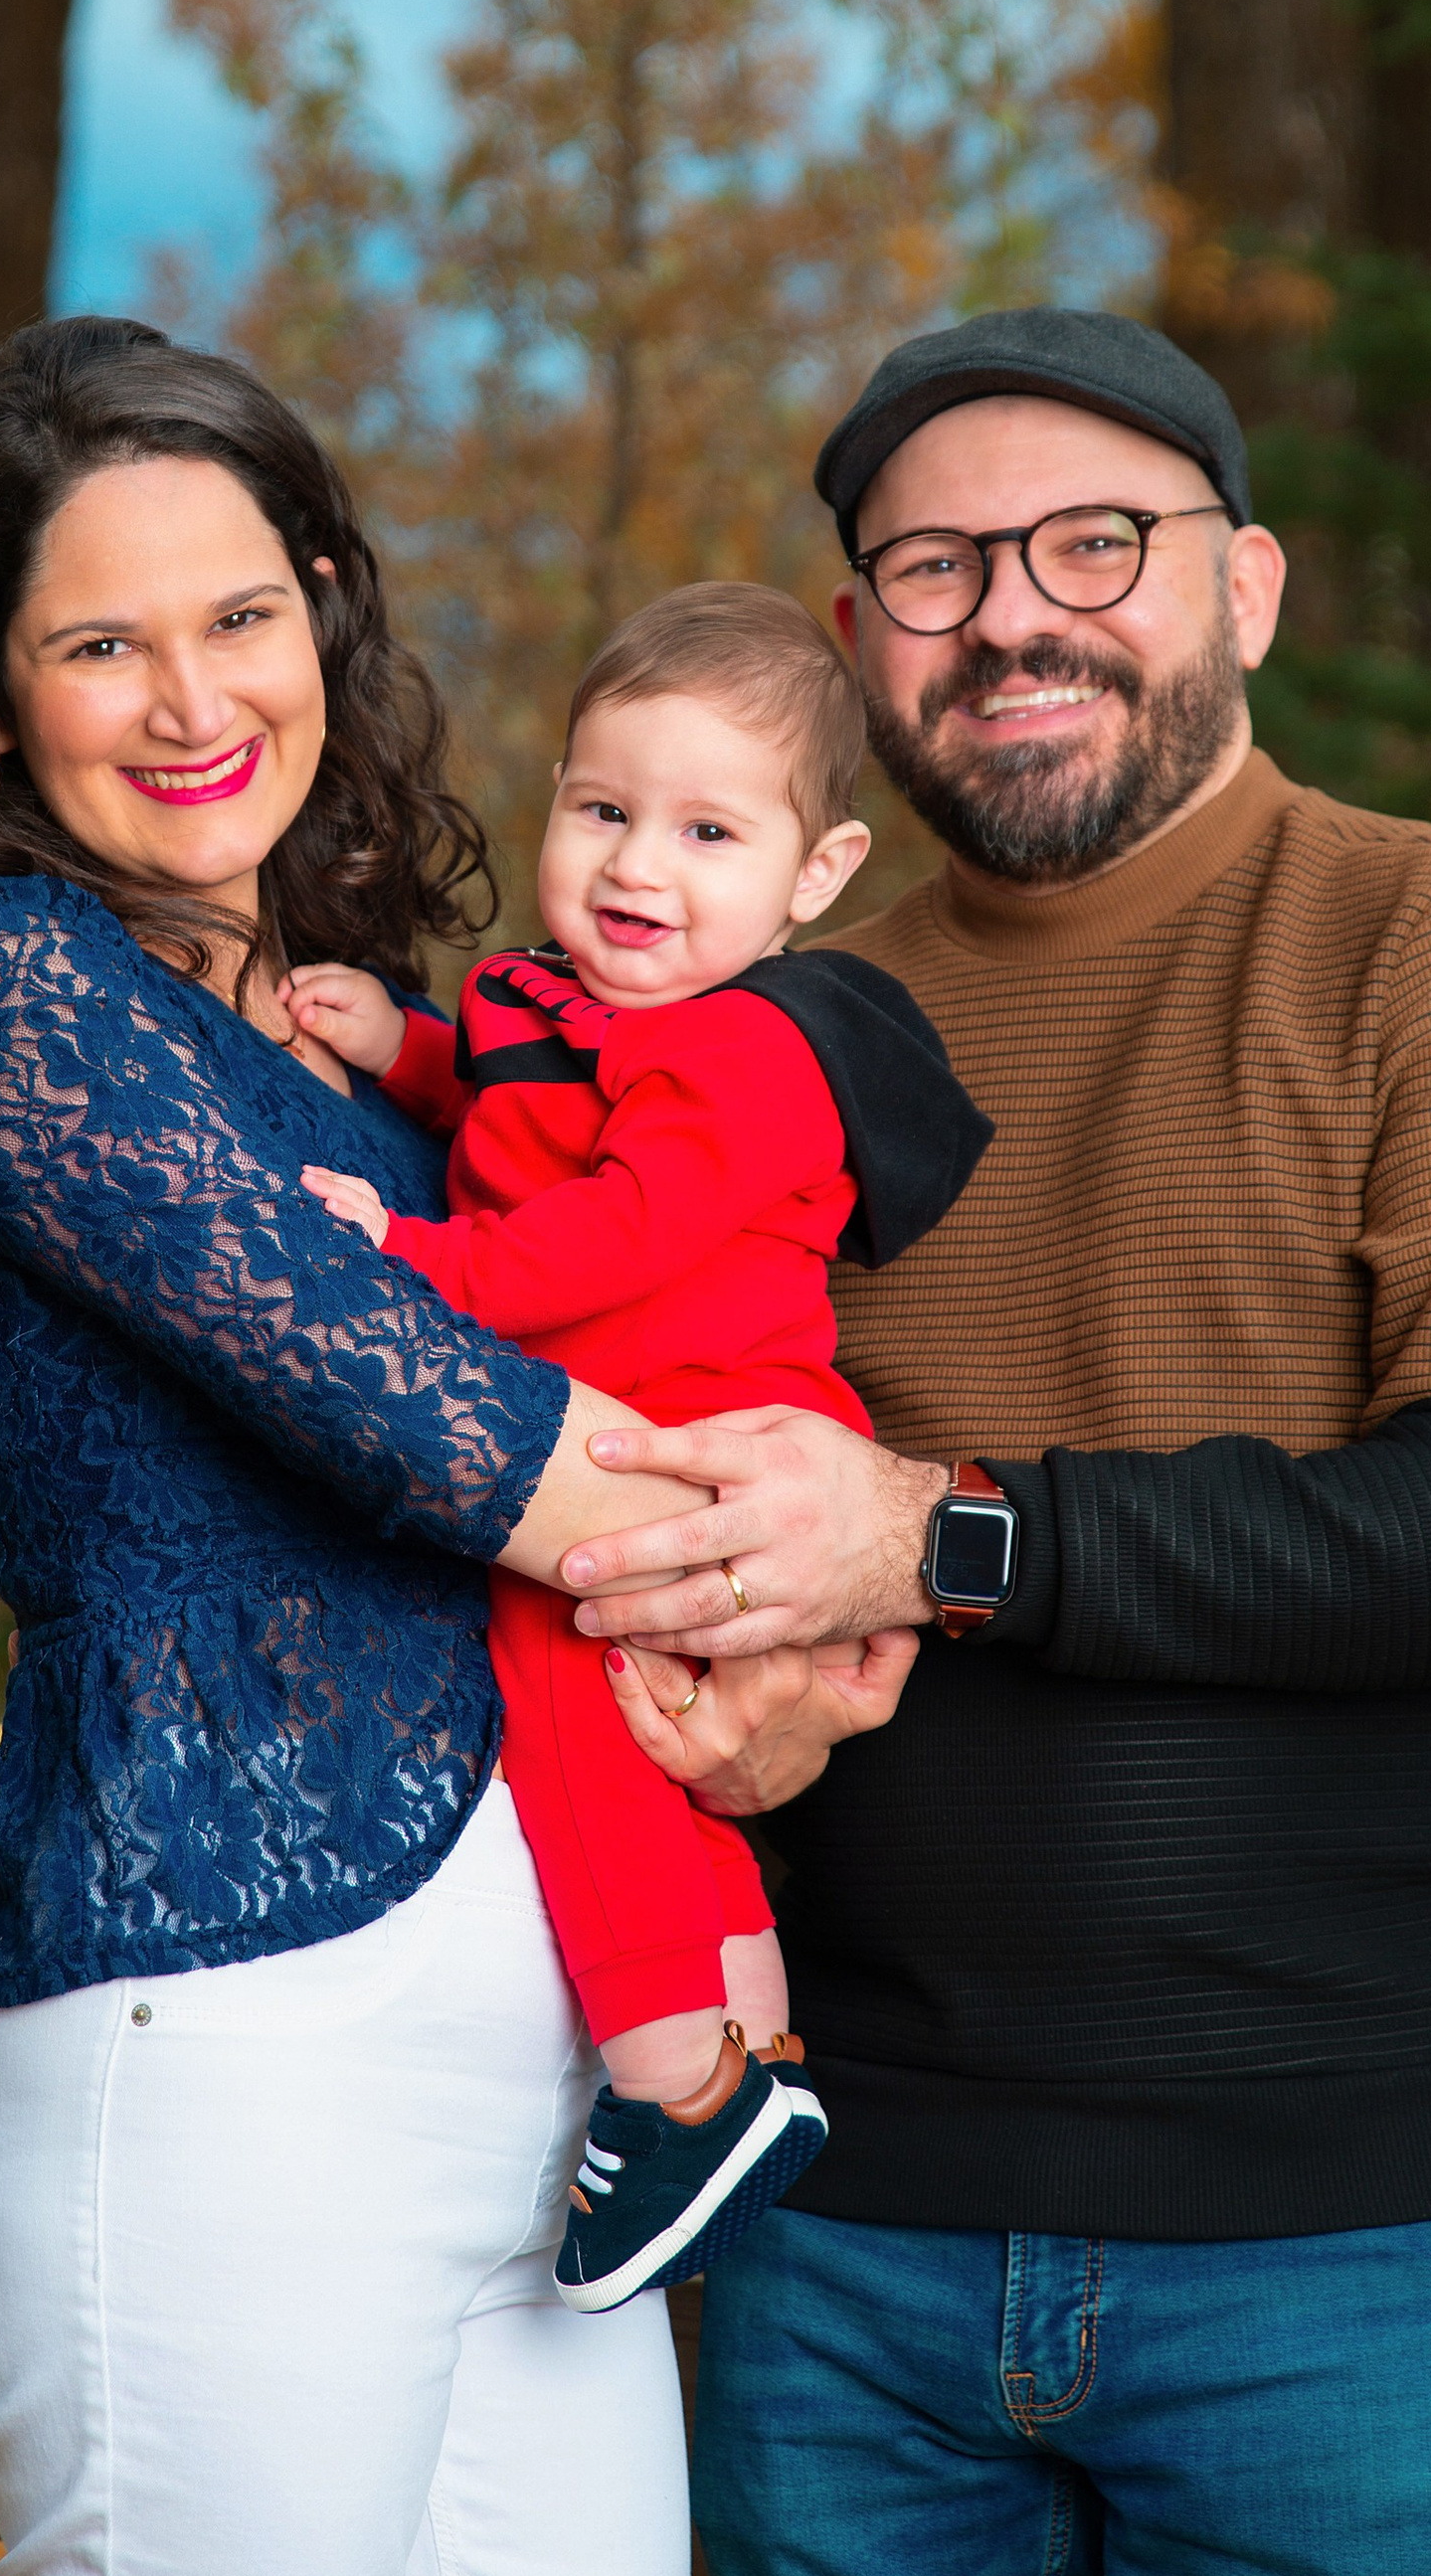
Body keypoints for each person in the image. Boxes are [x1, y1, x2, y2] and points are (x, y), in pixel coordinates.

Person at [543, 307, 1431, 2576]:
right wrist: (719, 1674)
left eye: (1096, 547)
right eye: (933, 568)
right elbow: (624, 1479)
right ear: (854, 651)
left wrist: (935, 1537)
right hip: (846, 2243)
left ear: (1244, 588)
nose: (1013, 615)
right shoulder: (762, 1022)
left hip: (1344, 2246)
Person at [0, 317, 804, 2576]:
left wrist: (811, 1634)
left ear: (325, 613)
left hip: (535, 2085)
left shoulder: (360, 1042)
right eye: (99, 641)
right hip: (216, 2061)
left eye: (240, 615)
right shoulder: (5, 998)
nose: (189, 698)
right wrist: (867, 1550)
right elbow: (441, 1429)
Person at [288, 581, 989, 2307]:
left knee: (572, 1705)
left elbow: (605, 1236)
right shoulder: (577, 1007)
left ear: (812, 878)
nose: (635, 867)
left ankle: (673, 2083)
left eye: (706, 831)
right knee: (659, 1753)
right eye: (601, 810)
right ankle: (748, 2050)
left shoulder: (749, 1054)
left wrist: (407, 1267)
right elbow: (535, 1121)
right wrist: (415, 1053)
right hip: (638, 1430)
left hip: (698, 1443)